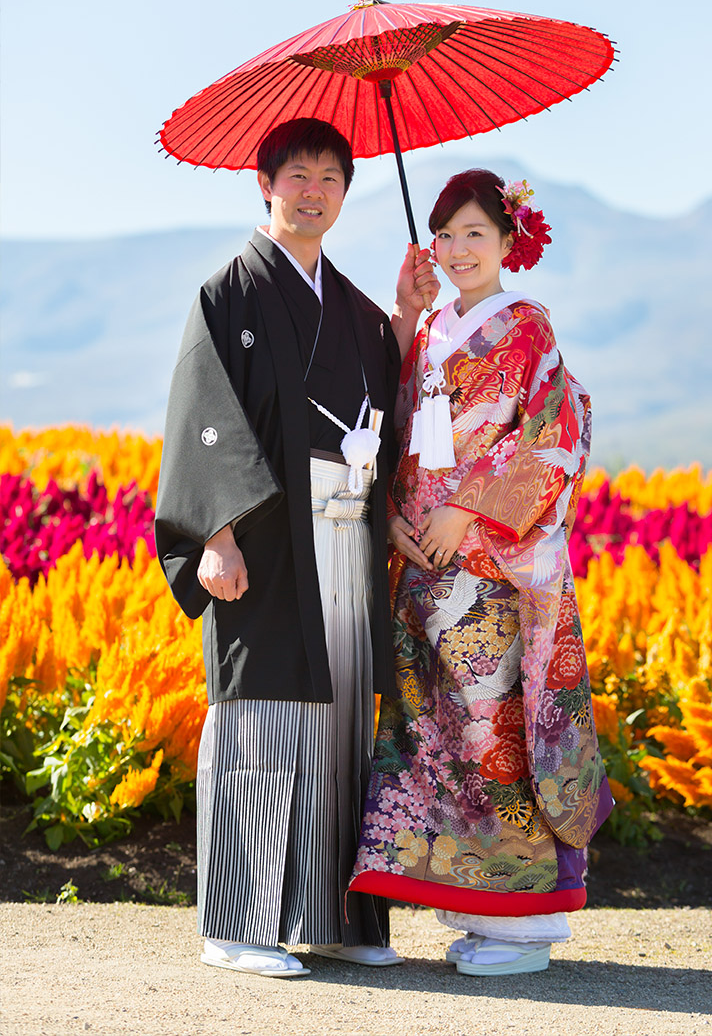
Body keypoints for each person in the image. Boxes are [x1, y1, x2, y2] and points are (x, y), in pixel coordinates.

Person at [155, 117, 437, 978]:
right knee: (262, 715)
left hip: (346, 535)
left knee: (342, 719)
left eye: (329, 178)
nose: (313, 192)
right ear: (265, 185)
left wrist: (406, 316)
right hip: (268, 537)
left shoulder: (354, 307)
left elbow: (385, 402)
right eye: (298, 176)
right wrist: (216, 533)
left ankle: (334, 917)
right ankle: (236, 921)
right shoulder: (229, 293)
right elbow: (201, 418)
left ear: (345, 193)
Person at [348, 169, 613, 976]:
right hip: (424, 566)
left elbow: (553, 431)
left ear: (507, 243)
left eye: (475, 233)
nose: (458, 249)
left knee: (494, 734)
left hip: (490, 565)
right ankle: (477, 911)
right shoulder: (431, 329)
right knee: (438, 738)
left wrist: (465, 508)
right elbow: (400, 433)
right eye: (446, 234)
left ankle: (526, 924)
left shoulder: (526, 325)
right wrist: (395, 515)